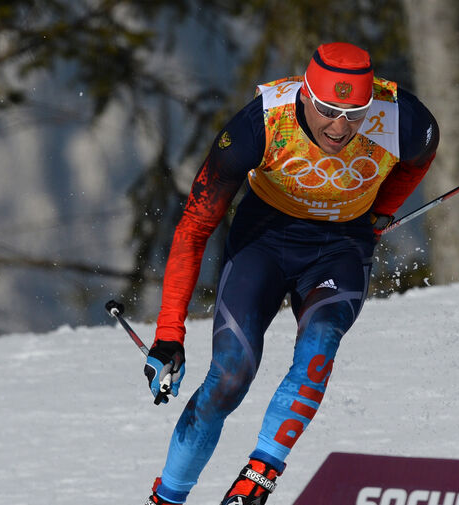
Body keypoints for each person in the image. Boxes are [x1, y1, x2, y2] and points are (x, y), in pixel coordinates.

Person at [142, 42, 439, 505]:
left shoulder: (406, 121)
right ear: (304, 94)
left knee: (321, 341)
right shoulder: (260, 124)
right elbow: (195, 226)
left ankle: (257, 477)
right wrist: (168, 334)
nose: (339, 128)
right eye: (326, 109)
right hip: (264, 240)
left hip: (341, 246)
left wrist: (382, 212)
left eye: (355, 113)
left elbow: (420, 158)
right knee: (230, 377)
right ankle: (167, 498)